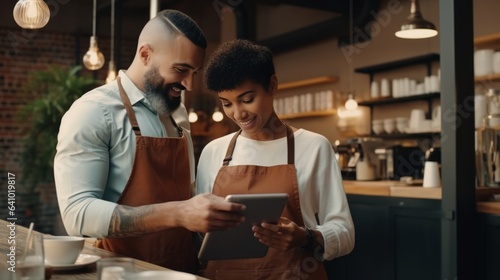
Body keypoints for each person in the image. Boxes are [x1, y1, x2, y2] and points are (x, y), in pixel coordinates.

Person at [53, 10, 244, 273]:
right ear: (145, 55)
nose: (189, 84)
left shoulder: (177, 114)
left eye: (195, 72)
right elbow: (78, 214)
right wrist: (178, 213)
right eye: (181, 69)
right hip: (122, 273)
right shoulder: (94, 111)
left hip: (182, 271)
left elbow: (185, 195)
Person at [196, 39, 355, 279]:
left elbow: (344, 233)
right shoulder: (213, 152)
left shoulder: (313, 147)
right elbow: (199, 230)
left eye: (247, 99)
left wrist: (306, 237)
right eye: (227, 103)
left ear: (272, 85)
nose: (238, 113)